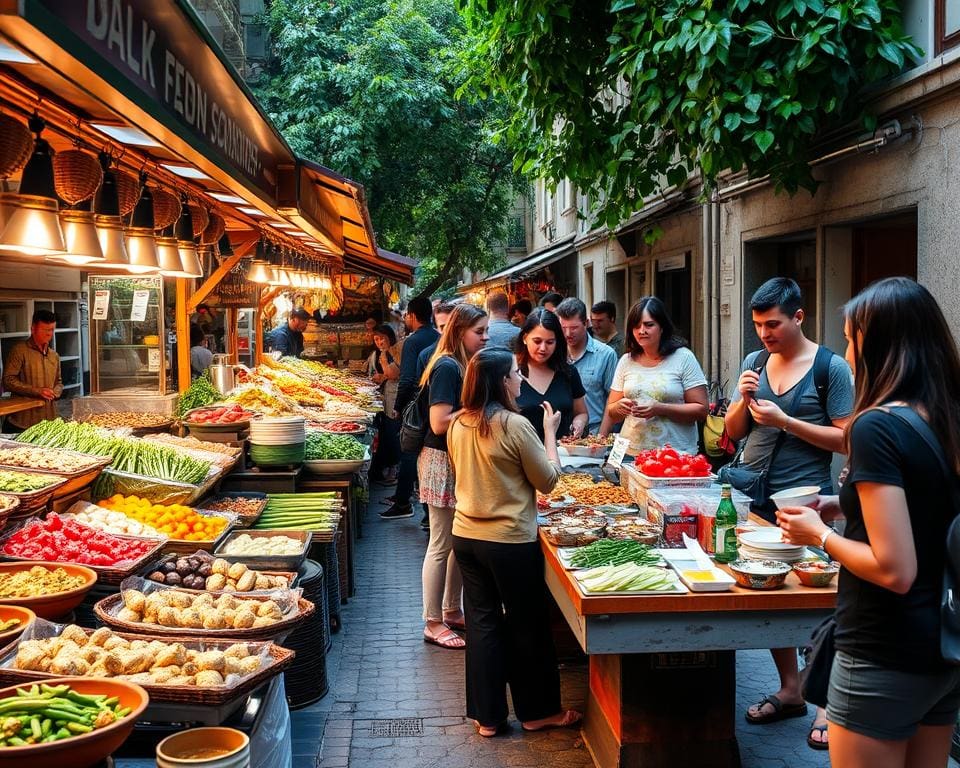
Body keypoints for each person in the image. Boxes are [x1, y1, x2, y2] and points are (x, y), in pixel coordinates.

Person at [777, 277, 960, 768]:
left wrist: (820, 535)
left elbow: (892, 568)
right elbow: (929, 508)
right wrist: (843, 506)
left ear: (878, 345)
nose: (847, 352)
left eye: (851, 338)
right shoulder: (945, 417)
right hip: (941, 646)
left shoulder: (877, 425)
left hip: (883, 648)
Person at [723, 277, 853, 745]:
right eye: (758, 325)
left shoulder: (830, 368)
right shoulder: (756, 362)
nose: (764, 333)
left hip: (807, 501)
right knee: (768, 594)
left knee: (816, 599)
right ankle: (791, 688)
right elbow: (734, 433)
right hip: (756, 499)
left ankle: (826, 704)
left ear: (798, 317)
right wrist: (742, 398)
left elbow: (846, 437)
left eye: (772, 323)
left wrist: (786, 421)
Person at [448, 347, 582, 736]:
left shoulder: (459, 423)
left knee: (483, 624)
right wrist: (551, 433)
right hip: (508, 540)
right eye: (514, 373)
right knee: (527, 625)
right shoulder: (514, 424)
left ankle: (487, 718)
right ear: (501, 381)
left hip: (467, 537)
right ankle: (538, 712)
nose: (521, 378)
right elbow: (549, 481)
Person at [418, 304, 488, 649]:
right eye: (480, 332)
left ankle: (450, 609)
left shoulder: (460, 363)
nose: (485, 337)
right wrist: (476, 409)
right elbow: (438, 422)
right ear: (461, 331)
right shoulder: (447, 366)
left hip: (454, 459)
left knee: (456, 542)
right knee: (441, 543)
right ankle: (432, 621)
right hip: (440, 460)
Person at [599, 296, 708, 455]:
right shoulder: (626, 360)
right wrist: (619, 407)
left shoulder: (684, 358)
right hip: (628, 453)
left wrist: (660, 408)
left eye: (649, 325)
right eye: (636, 326)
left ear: (662, 327)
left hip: (674, 456)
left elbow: (702, 410)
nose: (642, 331)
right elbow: (612, 412)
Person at [381, 296, 440, 520]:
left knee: (408, 452)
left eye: (406, 315)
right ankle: (423, 508)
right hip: (434, 402)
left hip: (416, 405)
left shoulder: (412, 342)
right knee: (425, 454)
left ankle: (407, 504)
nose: (405, 318)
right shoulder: (438, 337)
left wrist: (398, 406)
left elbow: (407, 379)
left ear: (413, 316)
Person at [515, 308, 588, 442]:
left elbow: (581, 412)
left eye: (550, 342)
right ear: (525, 338)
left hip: (564, 456)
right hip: (523, 456)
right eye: (537, 341)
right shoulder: (511, 373)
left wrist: (579, 423)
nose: (543, 348)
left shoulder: (568, 373)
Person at [555, 298, 616, 434]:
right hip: (559, 433)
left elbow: (612, 400)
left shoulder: (606, 354)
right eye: (563, 328)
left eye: (574, 328)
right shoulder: (554, 353)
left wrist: (601, 437)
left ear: (586, 323)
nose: (568, 334)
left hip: (593, 432)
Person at [1, 309, 62, 433]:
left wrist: (56, 392)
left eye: (51, 330)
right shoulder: (19, 351)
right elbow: (8, 380)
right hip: (21, 423)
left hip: (48, 422)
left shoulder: (54, 355)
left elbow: (59, 382)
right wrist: (37, 391)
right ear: (33, 328)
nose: (48, 334)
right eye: (44, 330)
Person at [367, 324, 402, 484]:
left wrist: (384, 373)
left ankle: (393, 468)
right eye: (376, 339)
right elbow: (386, 375)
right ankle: (388, 466)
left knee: (393, 432)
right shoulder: (381, 354)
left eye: (382, 338)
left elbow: (391, 374)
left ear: (390, 337)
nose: (379, 342)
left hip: (395, 398)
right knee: (387, 432)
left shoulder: (395, 352)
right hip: (388, 397)